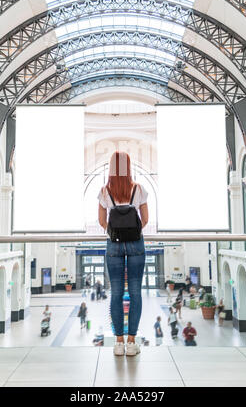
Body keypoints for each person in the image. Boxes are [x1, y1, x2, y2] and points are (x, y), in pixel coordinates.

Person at [98, 151, 149, 357]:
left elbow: (102, 222)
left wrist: (115, 233)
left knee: (116, 293)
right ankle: (131, 342)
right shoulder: (138, 188)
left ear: (111, 168)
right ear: (128, 167)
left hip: (114, 245)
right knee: (135, 293)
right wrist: (133, 231)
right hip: (136, 243)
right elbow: (145, 219)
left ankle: (118, 342)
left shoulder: (104, 191)